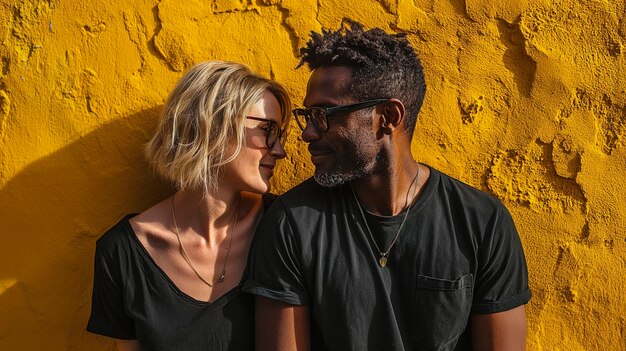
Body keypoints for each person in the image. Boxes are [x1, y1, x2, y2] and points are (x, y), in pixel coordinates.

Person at [243, 23, 531, 350]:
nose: (307, 132)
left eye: (322, 115)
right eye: (307, 115)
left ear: (388, 117)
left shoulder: (481, 222)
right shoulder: (293, 223)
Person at [87, 61, 291, 350]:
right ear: (212, 126)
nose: (279, 150)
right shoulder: (123, 253)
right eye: (266, 130)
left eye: (278, 133)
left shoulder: (284, 228)